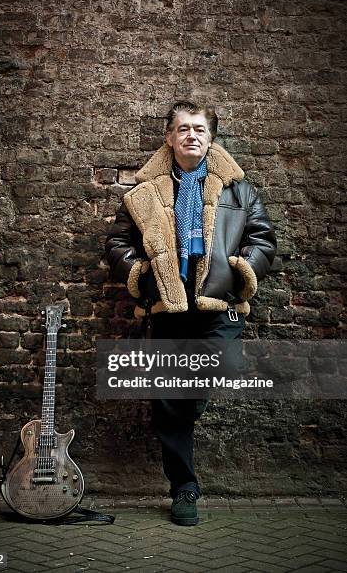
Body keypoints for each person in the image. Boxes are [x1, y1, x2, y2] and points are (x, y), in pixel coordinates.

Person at [105, 100, 277, 526]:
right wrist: (142, 277)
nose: (191, 136)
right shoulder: (142, 195)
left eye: (199, 129)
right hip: (167, 308)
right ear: (169, 137)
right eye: (182, 129)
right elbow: (116, 244)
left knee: (192, 389)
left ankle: (180, 417)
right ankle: (184, 487)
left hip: (219, 310)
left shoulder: (240, 191)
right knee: (167, 404)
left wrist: (240, 272)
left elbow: (264, 241)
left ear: (211, 137)